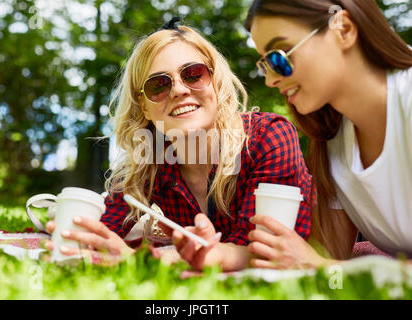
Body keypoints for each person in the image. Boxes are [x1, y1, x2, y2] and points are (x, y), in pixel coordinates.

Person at [45, 18, 315, 271]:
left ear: (216, 84)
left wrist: (143, 260)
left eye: (193, 74)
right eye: (158, 85)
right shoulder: (151, 160)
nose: (178, 90)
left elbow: (264, 252)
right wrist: (76, 231)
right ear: (145, 108)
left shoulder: (268, 138)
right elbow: (103, 231)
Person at [243, 0, 412, 269]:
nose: (270, 80)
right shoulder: (332, 138)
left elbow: (322, 266)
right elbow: (327, 263)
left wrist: (321, 267)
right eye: (266, 64)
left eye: (280, 57)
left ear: (343, 29)